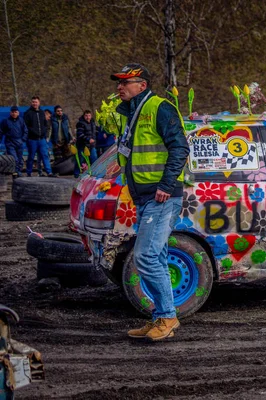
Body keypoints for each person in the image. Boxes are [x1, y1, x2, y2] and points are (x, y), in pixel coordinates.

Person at [111, 63, 189, 341]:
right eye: (118, 82)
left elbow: (180, 147)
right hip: (144, 196)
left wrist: (167, 185)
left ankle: (168, 317)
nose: (119, 87)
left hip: (161, 196)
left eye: (125, 82)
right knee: (156, 256)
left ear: (141, 85)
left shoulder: (160, 107)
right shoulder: (129, 112)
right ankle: (159, 317)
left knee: (144, 256)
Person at [23, 96, 53, 177]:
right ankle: (29, 173)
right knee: (31, 157)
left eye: (36, 102)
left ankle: (49, 172)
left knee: (45, 155)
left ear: (39, 103)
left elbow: (45, 124)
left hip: (42, 139)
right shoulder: (27, 113)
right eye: (33, 102)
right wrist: (34, 132)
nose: (34, 103)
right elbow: (26, 126)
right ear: (31, 103)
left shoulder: (42, 113)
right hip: (32, 139)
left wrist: (44, 133)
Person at [0, 106, 28, 177]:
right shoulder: (5, 121)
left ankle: (19, 172)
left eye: (15, 112)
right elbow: (1, 132)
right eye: (13, 112)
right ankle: (15, 173)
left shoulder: (21, 121)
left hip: (19, 142)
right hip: (10, 142)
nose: (14, 114)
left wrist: (22, 140)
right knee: (14, 159)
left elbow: (25, 131)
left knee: (20, 159)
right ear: (10, 113)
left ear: (18, 113)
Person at [74, 110, 98, 177]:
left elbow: (95, 132)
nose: (88, 117)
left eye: (89, 115)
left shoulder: (93, 123)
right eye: (86, 116)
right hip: (83, 145)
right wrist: (88, 139)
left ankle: (94, 173)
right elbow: (80, 134)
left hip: (92, 145)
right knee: (80, 159)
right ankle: (77, 174)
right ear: (84, 116)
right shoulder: (80, 124)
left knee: (94, 158)